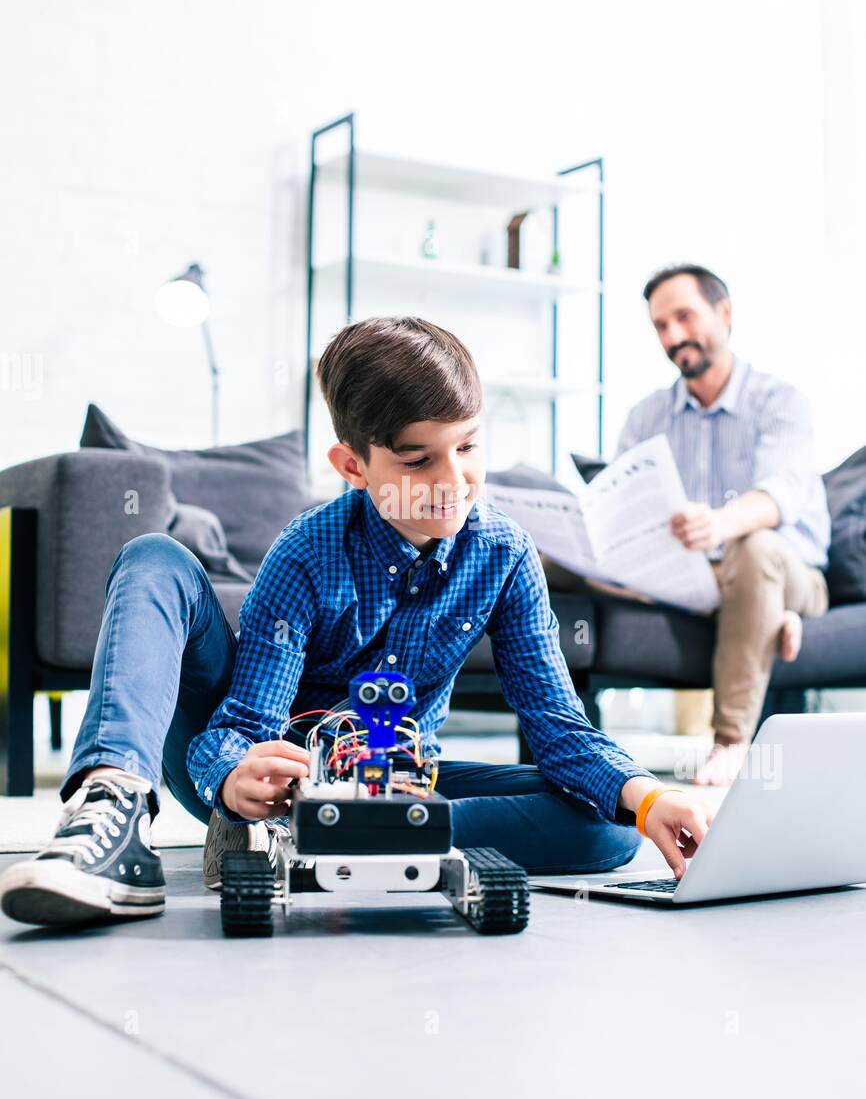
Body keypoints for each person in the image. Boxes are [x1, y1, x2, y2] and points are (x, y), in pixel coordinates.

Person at [0, 316, 712, 928]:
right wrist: (231, 777)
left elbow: (558, 729)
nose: (453, 481)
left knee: (611, 829)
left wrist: (648, 797)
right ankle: (111, 810)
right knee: (153, 556)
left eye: (467, 447)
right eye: (417, 460)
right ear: (353, 464)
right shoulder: (306, 552)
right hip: (266, 777)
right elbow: (242, 723)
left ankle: (342, 840)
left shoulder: (503, 555)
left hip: (396, 784)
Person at [548, 266, 831, 787]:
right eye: (660, 325)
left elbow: (781, 494)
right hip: (684, 578)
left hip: (784, 567)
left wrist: (719, 524)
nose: (673, 336)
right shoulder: (647, 415)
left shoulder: (779, 401)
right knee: (544, 558)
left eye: (684, 317)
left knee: (755, 550)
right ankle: (554, 738)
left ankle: (729, 743)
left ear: (724, 314)